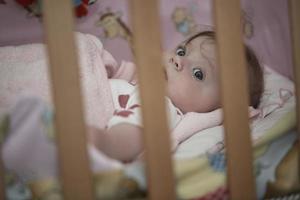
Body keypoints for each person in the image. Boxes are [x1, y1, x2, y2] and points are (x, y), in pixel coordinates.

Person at [88, 30, 264, 162]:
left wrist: (102, 142)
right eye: (181, 51)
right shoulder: (139, 79)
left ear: (216, 108)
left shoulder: (162, 107)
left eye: (198, 73)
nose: (177, 60)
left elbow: (133, 136)